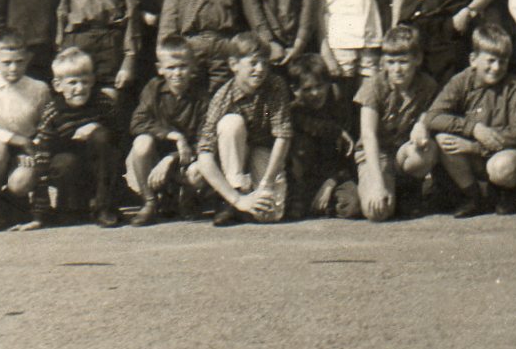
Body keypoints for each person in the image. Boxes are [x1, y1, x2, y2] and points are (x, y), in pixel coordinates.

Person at [421, 23, 516, 217]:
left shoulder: (514, 86)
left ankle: (505, 193)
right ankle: (473, 196)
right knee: (442, 139)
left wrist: (475, 147)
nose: (496, 67)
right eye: (490, 60)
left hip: (500, 153)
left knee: (503, 167)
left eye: (502, 61)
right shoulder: (460, 81)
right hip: (472, 155)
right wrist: (473, 129)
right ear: (473, 59)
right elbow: (432, 117)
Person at [194, 33, 292, 226]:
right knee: (231, 123)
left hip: (262, 152)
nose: (260, 69)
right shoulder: (223, 97)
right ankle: (233, 199)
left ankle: (250, 199)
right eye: (253, 63)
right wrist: (237, 199)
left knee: (271, 214)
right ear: (234, 65)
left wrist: (267, 184)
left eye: (264, 63)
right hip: (233, 158)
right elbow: (204, 156)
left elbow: (283, 137)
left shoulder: (276, 85)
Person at [26, 47, 122, 229]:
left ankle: (104, 206)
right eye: (72, 83)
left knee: (102, 137)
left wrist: (98, 128)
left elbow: (119, 139)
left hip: (100, 167)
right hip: (68, 169)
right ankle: (71, 207)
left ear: (93, 80)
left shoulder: (103, 103)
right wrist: (38, 215)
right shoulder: (53, 112)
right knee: (65, 162)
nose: (80, 88)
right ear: (58, 85)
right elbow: (42, 157)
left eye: (85, 82)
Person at [352, 26, 440, 222]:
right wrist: (377, 183)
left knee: (426, 151)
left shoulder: (427, 85)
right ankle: (386, 188)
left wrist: (422, 124)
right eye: (391, 62)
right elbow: (368, 135)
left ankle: (410, 191)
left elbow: (433, 113)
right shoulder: (374, 86)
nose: (397, 69)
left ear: (417, 60)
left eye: (403, 62)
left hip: (402, 153)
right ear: (383, 62)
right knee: (377, 211)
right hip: (376, 155)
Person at [0, 29, 52, 230]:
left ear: (28, 59)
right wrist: (16, 139)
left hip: (27, 148)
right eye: (6, 62)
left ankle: (13, 201)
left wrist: (30, 147)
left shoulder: (39, 89)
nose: (13, 68)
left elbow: (46, 126)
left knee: (21, 181)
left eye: (19, 61)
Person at [123, 36, 211, 226]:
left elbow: (205, 138)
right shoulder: (153, 88)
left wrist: (171, 158)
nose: (177, 73)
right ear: (160, 69)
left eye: (182, 66)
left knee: (198, 170)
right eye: (171, 67)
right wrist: (174, 136)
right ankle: (150, 202)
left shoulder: (202, 96)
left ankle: (186, 198)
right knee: (141, 143)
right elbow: (137, 122)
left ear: (192, 67)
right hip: (155, 159)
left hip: (186, 159)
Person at [286, 55, 360, 221]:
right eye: (307, 89)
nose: (315, 93)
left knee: (353, 205)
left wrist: (332, 181)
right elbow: (308, 124)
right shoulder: (293, 111)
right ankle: (307, 201)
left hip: (334, 176)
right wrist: (336, 131)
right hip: (303, 179)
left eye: (320, 86)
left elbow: (348, 153)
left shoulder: (338, 103)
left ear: (328, 83)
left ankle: (319, 204)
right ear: (295, 90)